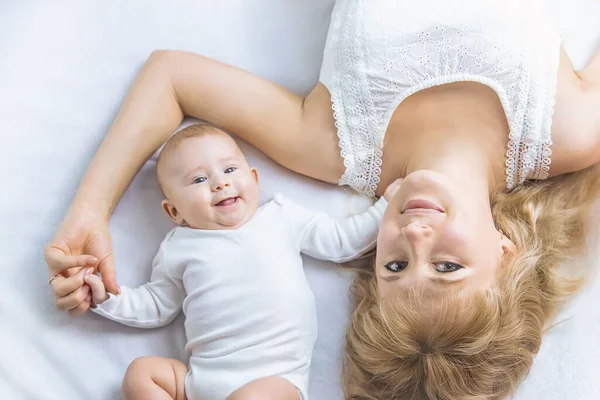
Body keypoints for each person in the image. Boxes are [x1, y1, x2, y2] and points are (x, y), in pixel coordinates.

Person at [46, 0, 600, 398]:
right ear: (506, 255)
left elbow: (172, 76)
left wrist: (89, 212)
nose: (412, 235)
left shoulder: (337, 145)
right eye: (448, 266)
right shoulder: (571, 131)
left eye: (395, 265)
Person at [58, 124, 396, 400]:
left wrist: (388, 205)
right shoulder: (178, 247)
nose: (220, 183)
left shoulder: (280, 217)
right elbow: (156, 305)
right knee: (141, 374)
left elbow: (340, 241)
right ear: (174, 211)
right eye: (199, 180)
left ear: (254, 178)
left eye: (230, 169)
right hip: (198, 382)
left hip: (273, 380)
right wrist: (106, 297)